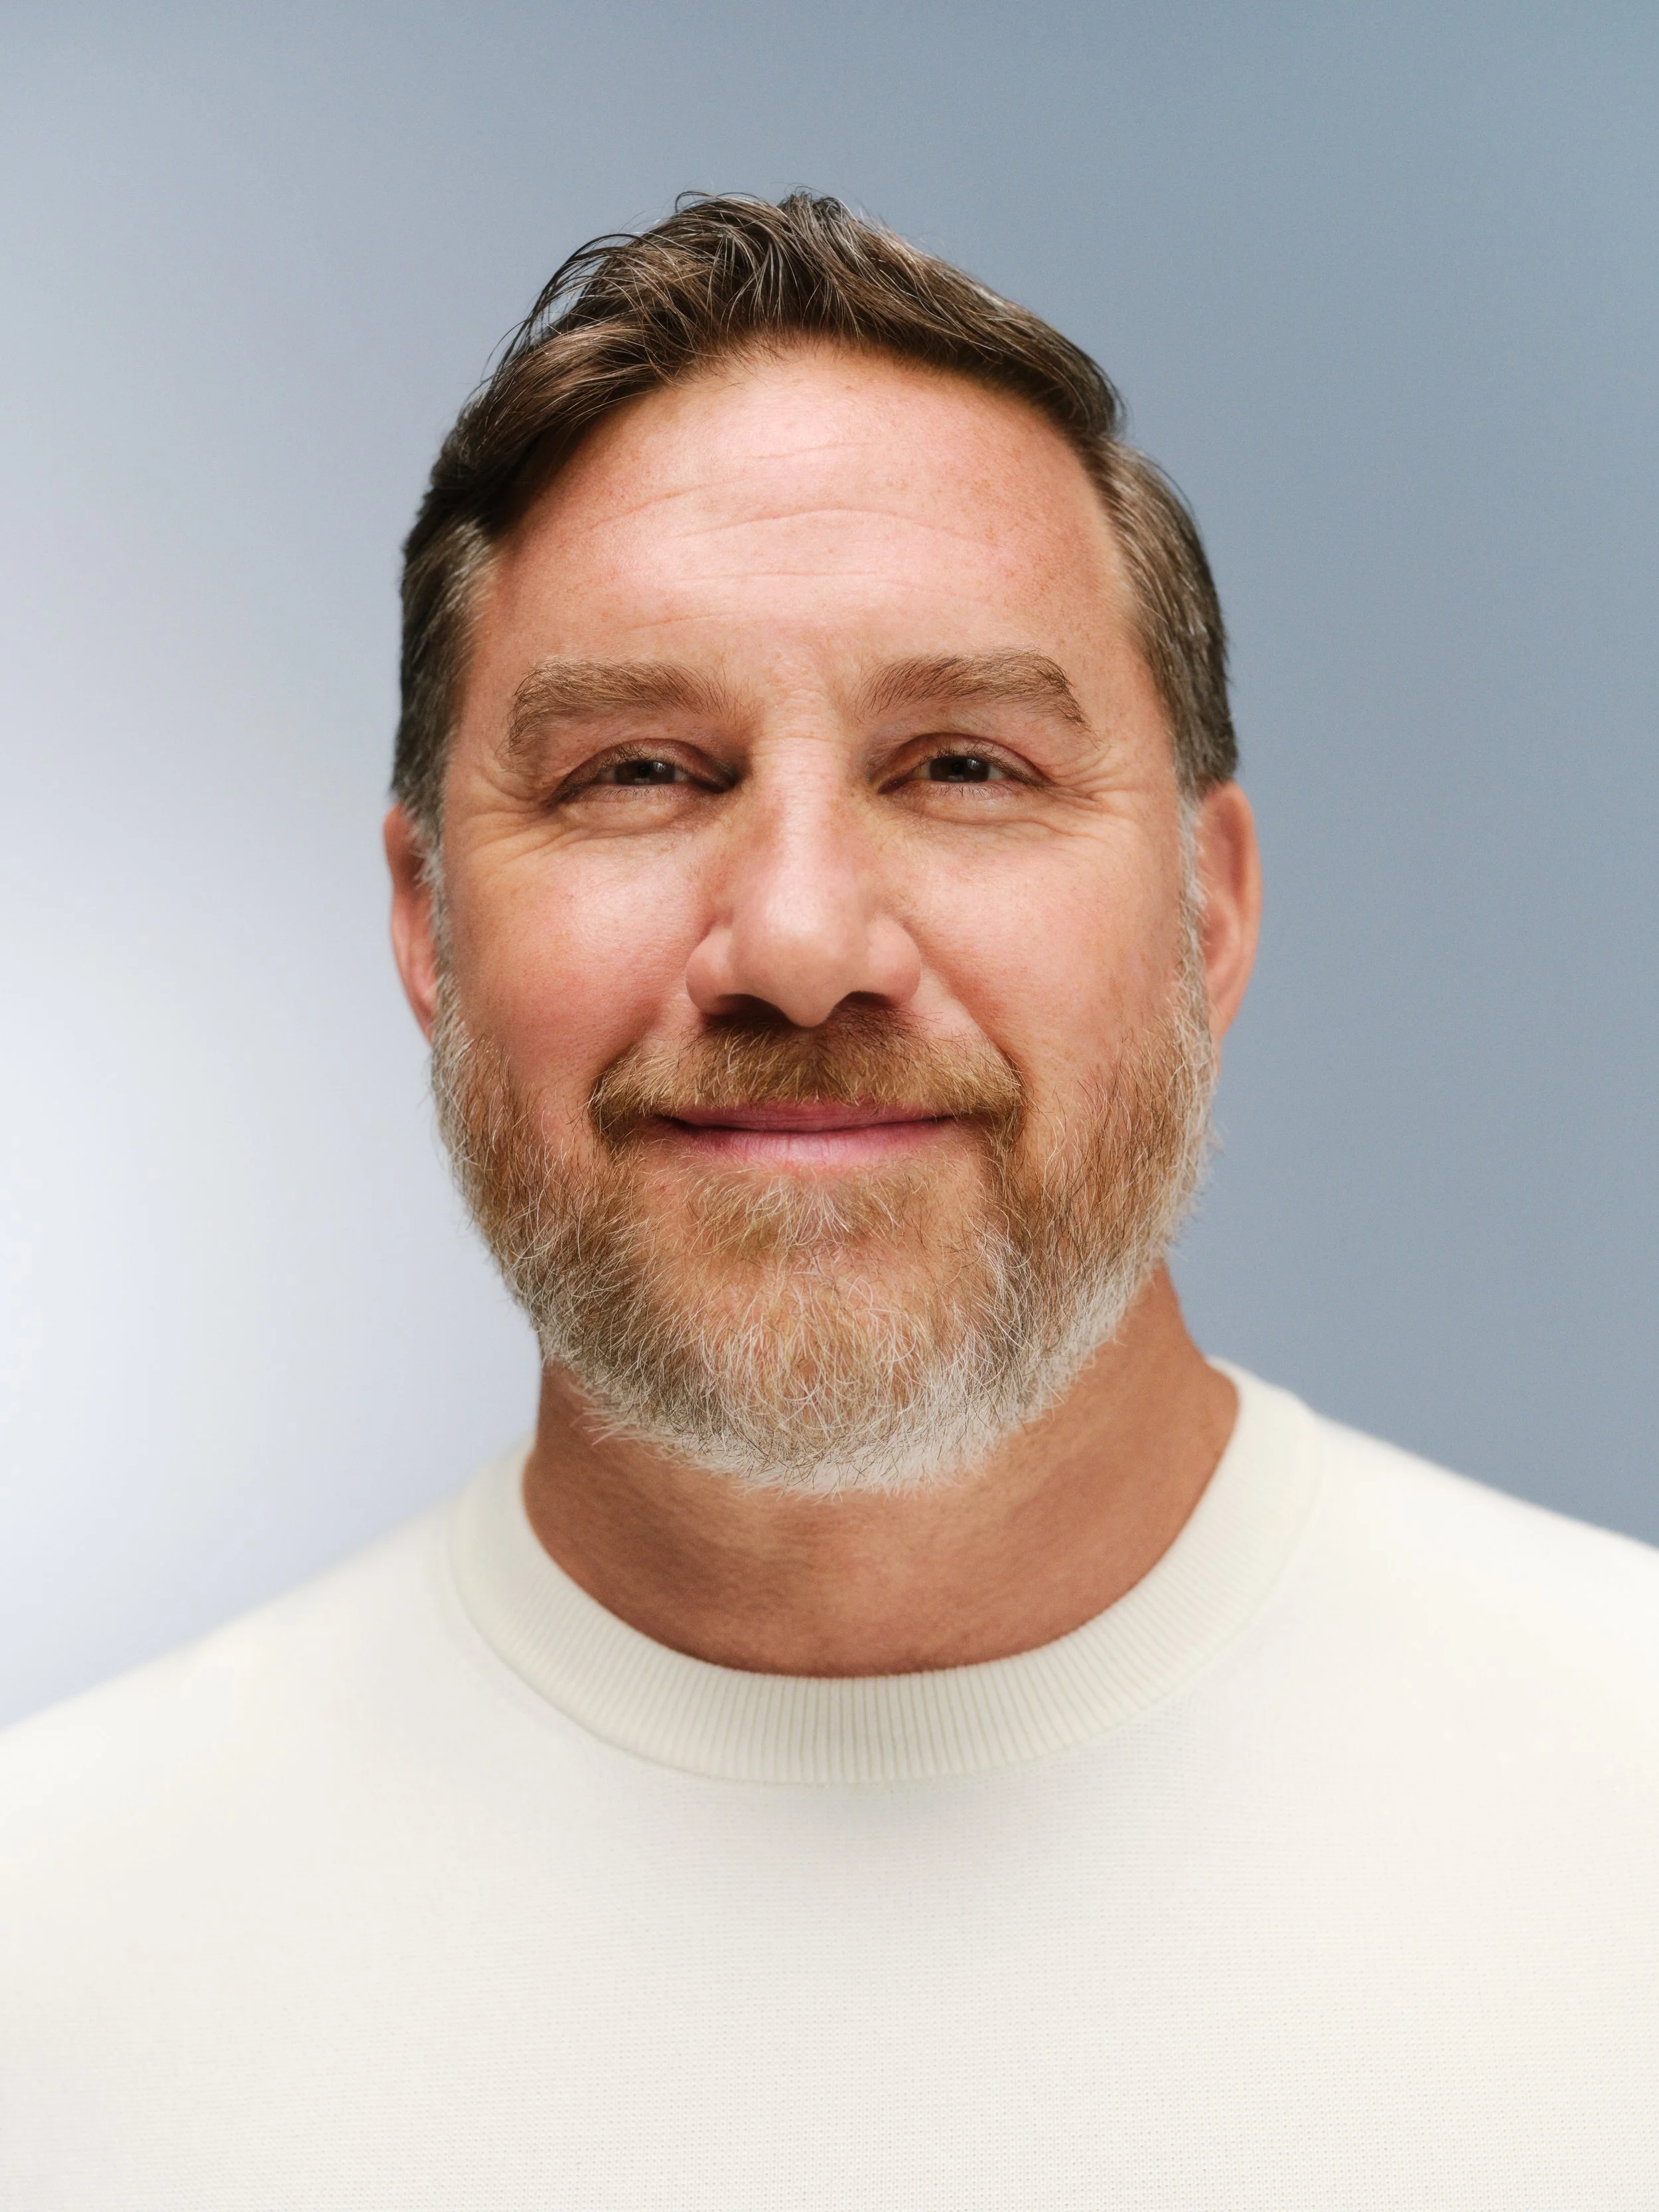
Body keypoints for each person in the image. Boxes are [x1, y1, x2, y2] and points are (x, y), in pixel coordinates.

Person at [1, 192, 1655, 2209]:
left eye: (963, 767)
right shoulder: (49, 1949)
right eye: (636, 771)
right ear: (429, 923)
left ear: (1208, 914)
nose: (797, 945)